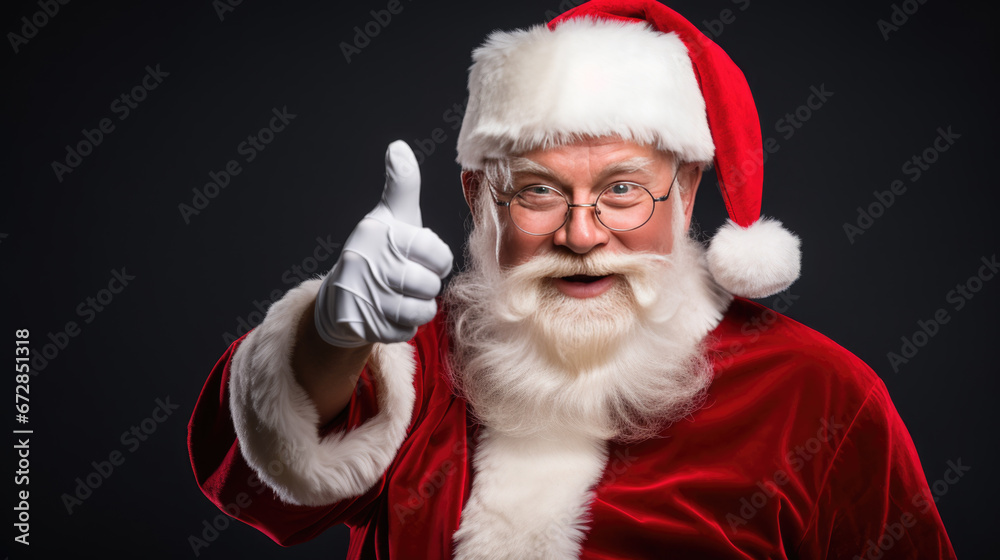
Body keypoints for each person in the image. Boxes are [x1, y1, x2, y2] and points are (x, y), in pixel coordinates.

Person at [187, 1, 957, 558]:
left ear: (686, 193)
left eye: (623, 189)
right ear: (481, 199)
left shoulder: (820, 396)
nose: (582, 235)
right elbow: (251, 490)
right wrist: (330, 333)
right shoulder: (416, 358)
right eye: (538, 191)